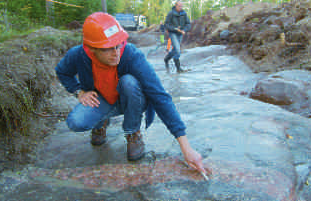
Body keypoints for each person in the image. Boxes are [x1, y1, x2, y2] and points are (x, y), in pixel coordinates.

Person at [55, 12, 205, 174]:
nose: (116, 52)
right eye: (108, 48)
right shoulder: (78, 55)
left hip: (129, 98)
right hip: (101, 99)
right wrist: (79, 91)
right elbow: (62, 72)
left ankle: (132, 132)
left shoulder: (131, 54)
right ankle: (101, 122)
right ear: (91, 49)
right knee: (76, 121)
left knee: (129, 82)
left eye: (118, 44)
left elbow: (159, 95)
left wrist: (186, 147)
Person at [164, 0, 191, 73]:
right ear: (175, 5)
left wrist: (184, 30)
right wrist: (175, 29)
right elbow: (166, 24)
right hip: (173, 33)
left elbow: (188, 24)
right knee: (178, 50)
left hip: (180, 34)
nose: (180, 7)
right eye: (179, 6)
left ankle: (166, 59)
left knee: (175, 50)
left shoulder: (184, 14)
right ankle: (178, 69)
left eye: (181, 6)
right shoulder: (171, 13)